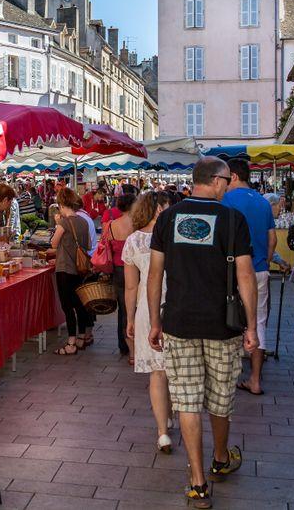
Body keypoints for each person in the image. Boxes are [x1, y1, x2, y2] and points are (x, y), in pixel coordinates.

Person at [146, 157, 258, 509]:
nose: (229, 185)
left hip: (179, 322)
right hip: (222, 325)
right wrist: (251, 325)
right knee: (220, 398)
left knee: (188, 401)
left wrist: (154, 320)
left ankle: (197, 482)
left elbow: (154, 274)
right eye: (227, 179)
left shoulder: (167, 217)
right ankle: (221, 458)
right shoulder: (231, 219)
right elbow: (245, 276)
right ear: (215, 181)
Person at [124, 190, 174, 454]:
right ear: (159, 209)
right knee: (176, 370)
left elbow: (130, 288)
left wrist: (130, 318)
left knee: (157, 372)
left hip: (147, 307)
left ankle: (163, 432)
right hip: (176, 305)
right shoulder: (175, 235)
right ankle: (173, 416)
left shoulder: (133, 241)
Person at [222, 159, 276, 397]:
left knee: (230, 319)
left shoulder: (226, 200)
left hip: (232, 270)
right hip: (260, 269)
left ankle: (227, 376)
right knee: (258, 322)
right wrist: (264, 259)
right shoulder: (263, 202)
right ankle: (255, 380)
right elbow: (272, 238)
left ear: (233, 176)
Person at [50, 187, 94, 355]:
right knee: (79, 304)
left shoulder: (64, 223)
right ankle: (82, 337)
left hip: (65, 268)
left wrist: (57, 224)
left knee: (67, 306)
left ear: (62, 204)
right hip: (80, 270)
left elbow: (54, 243)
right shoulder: (83, 221)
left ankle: (71, 342)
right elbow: (88, 245)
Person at [107, 187, 140, 359]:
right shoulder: (138, 224)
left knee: (123, 309)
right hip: (135, 269)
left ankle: (124, 345)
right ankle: (137, 348)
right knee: (135, 307)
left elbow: (106, 245)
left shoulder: (112, 225)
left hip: (117, 270)